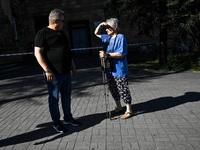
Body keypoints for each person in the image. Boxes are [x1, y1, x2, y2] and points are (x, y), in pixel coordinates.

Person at [34, 9, 80, 133]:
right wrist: (47, 70)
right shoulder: (42, 33)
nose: (64, 24)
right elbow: (37, 53)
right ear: (55, 21)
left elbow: (67, 51)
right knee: (54, 99)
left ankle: (68, 118)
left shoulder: (62, 33)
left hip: (66, 72)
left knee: (67, 97)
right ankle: (56, 122)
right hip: (53, 74)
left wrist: (73, 66)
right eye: (62, 21)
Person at [94, 18, 134, 119]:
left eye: (108, 27)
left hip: (119, 69)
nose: (106, 29)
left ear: (115, 27)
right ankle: (119, 107)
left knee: (123, 89)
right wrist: (100, 25)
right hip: (109, 68)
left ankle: (129, 110)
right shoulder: (107, 38)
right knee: (113, 89)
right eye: (106, 27)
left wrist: (106, 54)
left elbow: (121, 54)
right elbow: (96, 33)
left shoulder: (121, 37)